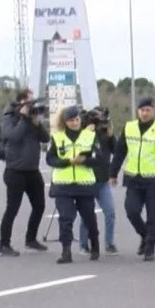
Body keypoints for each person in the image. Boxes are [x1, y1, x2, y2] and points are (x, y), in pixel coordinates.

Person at [110, 96, 155, 261]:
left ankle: (150, 247)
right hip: (133, 178)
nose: (145, 113)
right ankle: (145, 234)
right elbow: (120, 152)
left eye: (148, 110)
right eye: (142, 110)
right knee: (131, 210)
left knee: (154, 215)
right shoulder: (129, 127)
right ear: (137, 111)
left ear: (153, 111)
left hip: (154, 180)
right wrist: (113, 173)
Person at [0, 88, 50, 256]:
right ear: (20, 103)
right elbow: (12, 137)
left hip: (32, 171)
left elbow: (45, 138)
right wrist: (24, 119)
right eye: (28, 102)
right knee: (12, 208)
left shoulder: (32, 120)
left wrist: (36, 122)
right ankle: (4, 244)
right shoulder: (9, 119)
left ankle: (31, 239)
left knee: (39, 206)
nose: (32, 105)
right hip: (15, 171)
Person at [47, 106, 103, 264]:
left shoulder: (90, 136)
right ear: (65, 122)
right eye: (71, 120)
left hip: (84, 184)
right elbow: (50, 159)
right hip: (62, 184)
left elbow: (100, 159)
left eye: (77, 119)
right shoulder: (57, 137)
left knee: (89, 217)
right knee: (65, 218)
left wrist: (84, 160)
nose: (74, 122)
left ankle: (95, 245)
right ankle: (66, 251)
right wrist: (67, 162)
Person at [77, 107, 118, 256]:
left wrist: (111, 134)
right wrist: (87, 131)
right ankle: (83, 244)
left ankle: (109, 243)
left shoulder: (104, 134)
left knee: (110, 212)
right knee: (86, 215)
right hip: (87, 180)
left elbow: (117, 151)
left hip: (102, 180)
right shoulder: (84, 133)